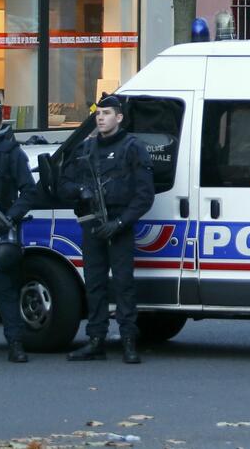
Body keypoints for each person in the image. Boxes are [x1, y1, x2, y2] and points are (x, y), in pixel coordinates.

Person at [60, 94, 155, 364]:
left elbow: (144, 195)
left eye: (106, 113)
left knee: (123, 285)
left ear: (119, 117)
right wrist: (81, 191)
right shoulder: (85, 149)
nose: (100, 118)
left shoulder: (133, 147)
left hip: (119, 223)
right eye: (98, 113)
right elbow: (64, 185)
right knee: (95, 284)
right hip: (92, 223)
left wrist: (120, 223)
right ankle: (95, 340)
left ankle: (128, 340)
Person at [0, 99, 36, 363]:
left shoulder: (11, 152)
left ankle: (15, 343)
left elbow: (29, 190)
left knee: (5, 287)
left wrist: (11, 216)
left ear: (0, 124)